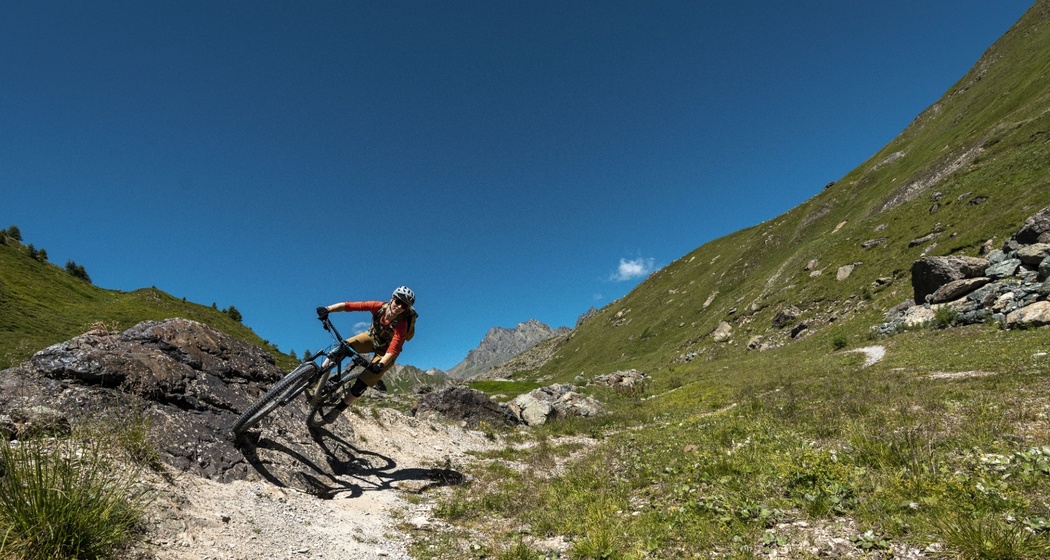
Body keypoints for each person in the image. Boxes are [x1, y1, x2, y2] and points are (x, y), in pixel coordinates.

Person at [309, 285, 416, 427]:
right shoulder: (378, 307)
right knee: (343, 347)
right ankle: (316, 376)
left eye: (404, 306)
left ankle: (337, 410)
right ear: (392, 298)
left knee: (363, 382)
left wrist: (380, 364)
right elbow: (349, 306)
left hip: (386, 353)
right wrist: (327, 309)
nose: (399, 307)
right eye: (398, 301)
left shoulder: (402, 324)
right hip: (372, 338)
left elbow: (393, 349)